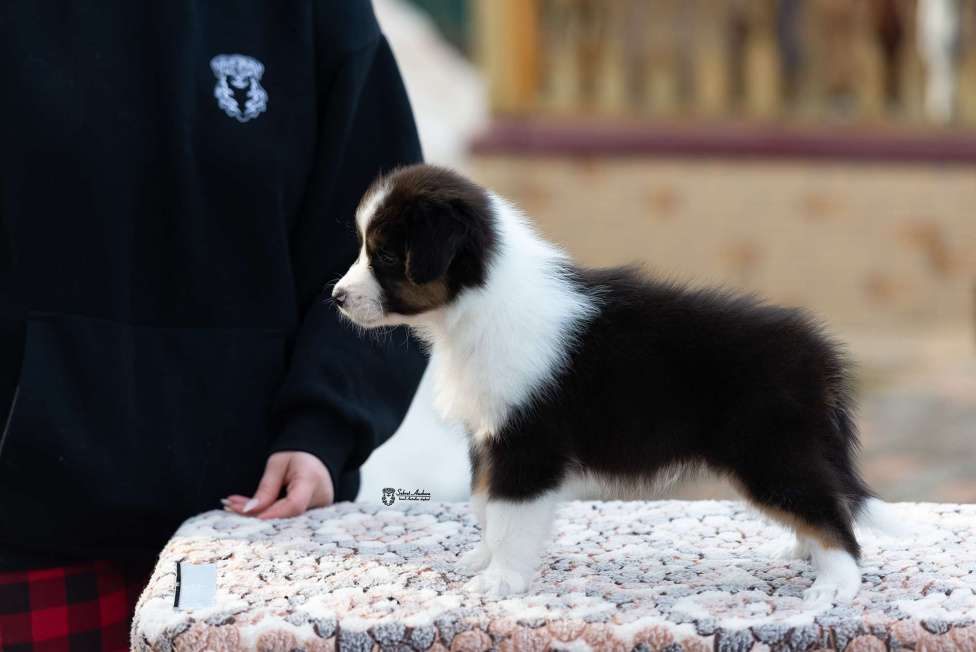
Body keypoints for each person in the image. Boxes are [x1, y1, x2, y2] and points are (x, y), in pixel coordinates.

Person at [0, 2, 426, 649]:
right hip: (25, 535)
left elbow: (396, 257)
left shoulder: (316, 17)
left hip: (260, 529)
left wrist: (324, 428)